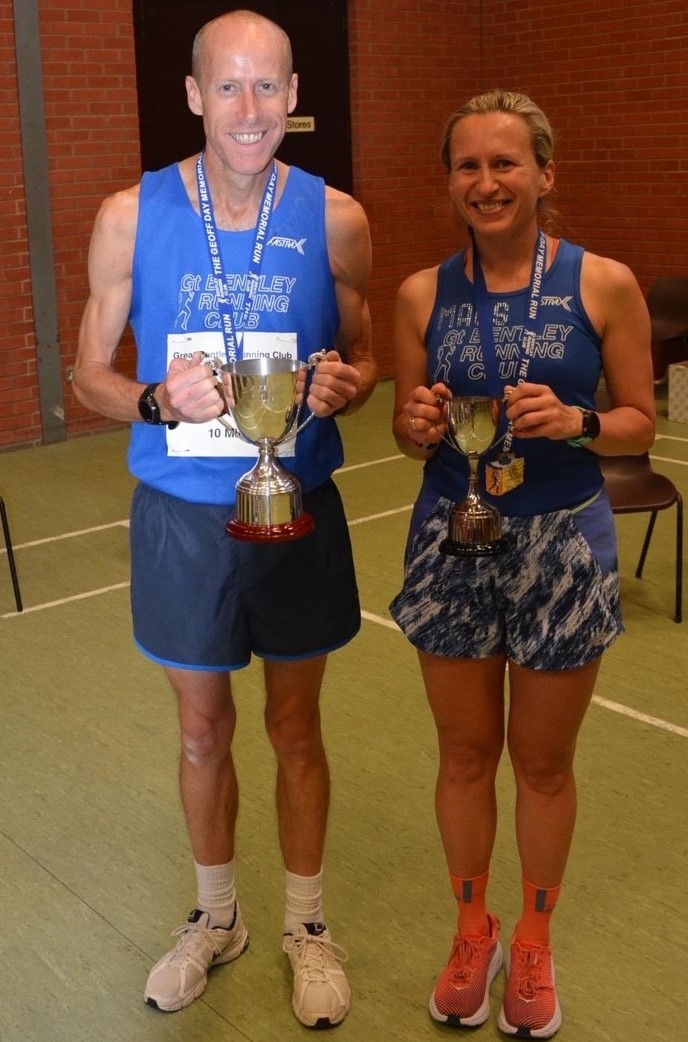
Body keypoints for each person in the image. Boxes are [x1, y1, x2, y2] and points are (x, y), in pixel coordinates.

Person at [73, 9, 375, 1029]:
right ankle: (217, 917)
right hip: (183, 518)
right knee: (203, 729)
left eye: (267, 86)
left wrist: (348, 382)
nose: (249, 108)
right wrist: (156, 399)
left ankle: (306, 925)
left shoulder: (336, 217)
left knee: (296, 726)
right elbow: (87, 374)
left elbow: (365, 355)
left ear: (293, 96)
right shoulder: (130, 214)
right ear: (196, 95)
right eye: (229, 86)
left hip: (299, 505)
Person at [389, 89, 654, 1038]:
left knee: (543, 764)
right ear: (450, 181)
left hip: (562, 547)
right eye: (468, 165)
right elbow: (408, 433)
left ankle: (534, 940)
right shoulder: (421, 294)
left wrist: (579, 421)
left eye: (506, 163)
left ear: (544, 174)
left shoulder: (604, 284)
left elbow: (638, 423)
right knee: (464, 754)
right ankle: (476, 929)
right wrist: (417, 424)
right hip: (452, 539)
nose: (487, 182)